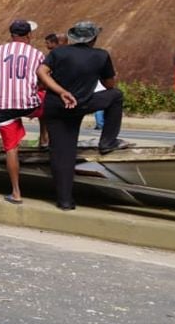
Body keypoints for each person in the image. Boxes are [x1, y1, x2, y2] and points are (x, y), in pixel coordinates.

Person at [36, 21, 127, 210]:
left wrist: (61, 91)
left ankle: (65, 201)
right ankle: (107, 141)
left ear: (73, 38)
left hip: (56, 106)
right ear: (93, 39)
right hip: (81, 104)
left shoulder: (58, 52)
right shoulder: (101, 55)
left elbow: (41, 72)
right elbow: (110, 86)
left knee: (63, 154)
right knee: (116, 96)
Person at [0, 20, 44, 204]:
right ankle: (45, 138)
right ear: (29, 36)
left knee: (11, 149)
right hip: (29, 103)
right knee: (50, 107)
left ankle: (16, 192)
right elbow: (43, 80)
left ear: (11, 35)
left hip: (4, 105)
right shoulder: (37, 54)